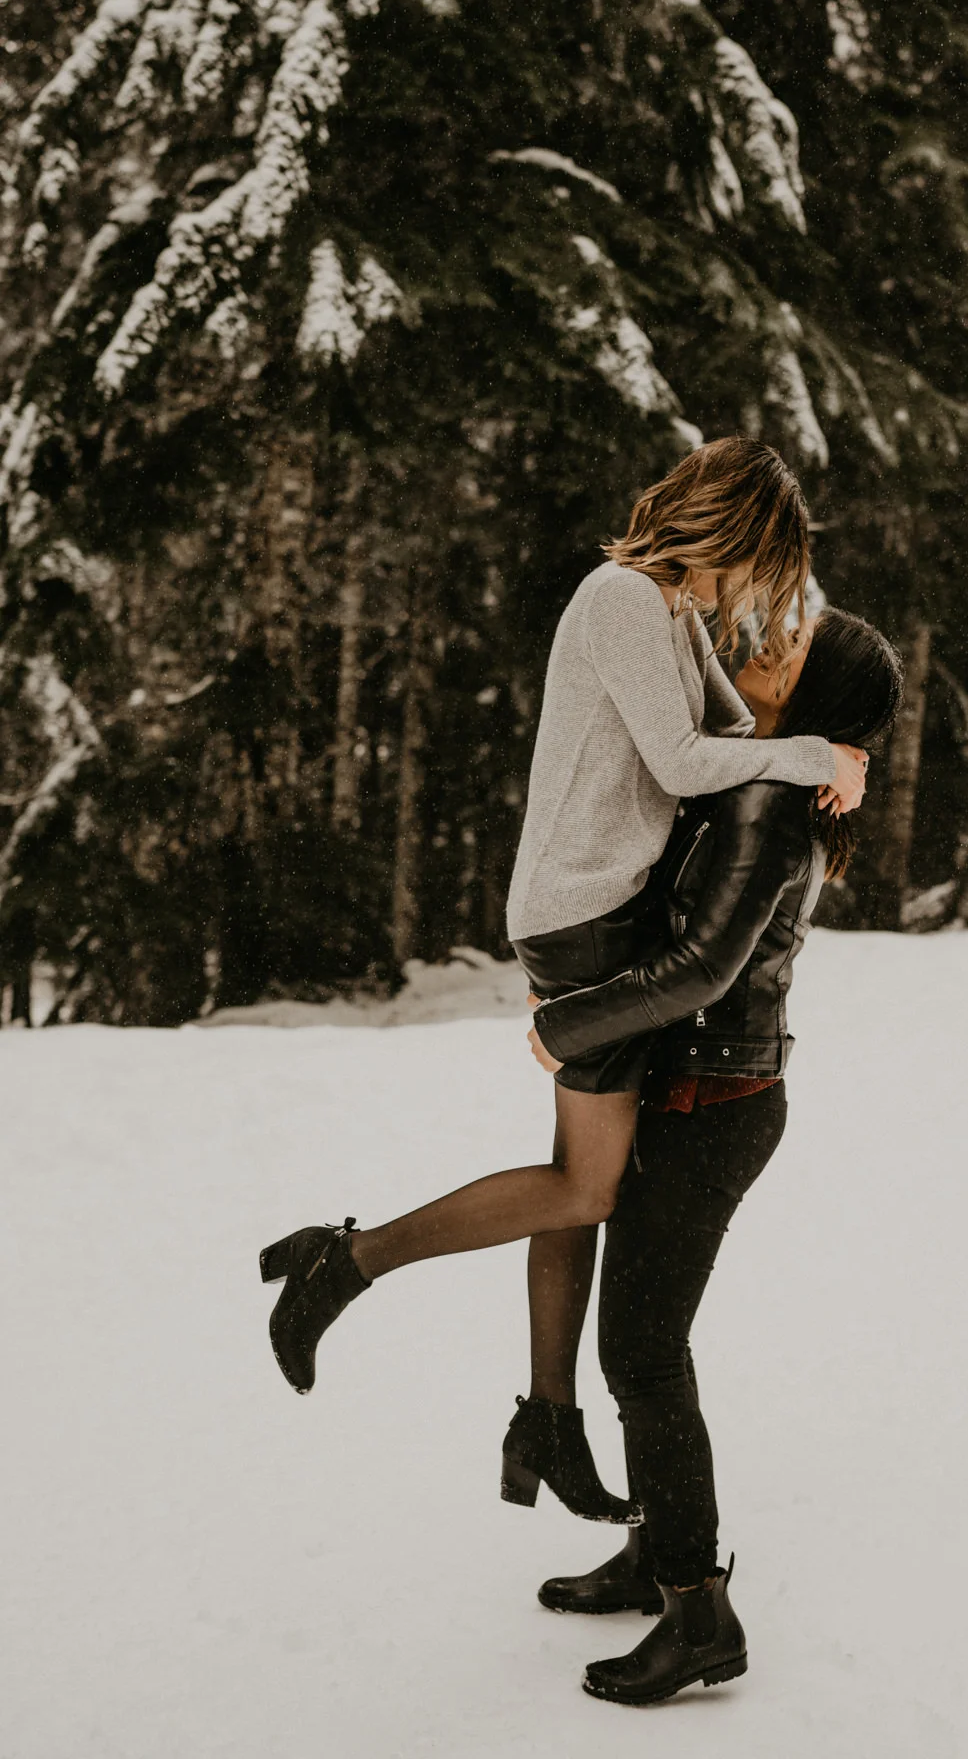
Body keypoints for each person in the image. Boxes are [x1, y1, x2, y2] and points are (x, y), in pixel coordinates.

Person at [259, 440, 868, 1525]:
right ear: (722, 531)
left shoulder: (675, 613)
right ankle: (344, 1260)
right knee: (588, 1186)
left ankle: (549, 1418)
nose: (757, 597)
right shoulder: (622, 597)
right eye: (759, 564)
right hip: (580, 915)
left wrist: (816, 749)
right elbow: (688, 764)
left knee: (578, 1172)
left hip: (607, 908)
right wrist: (816, 755)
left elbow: (732, 731)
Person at [526, 607, 903, 1703]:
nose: (758, 652)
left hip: (713, 1097)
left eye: (788, 652)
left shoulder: (766, 802)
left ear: (814, 697)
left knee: (642, 1352)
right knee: (644, 1344)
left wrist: (572, 1023)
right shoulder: (770, 778)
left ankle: (700, 1612)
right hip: (704, 1088)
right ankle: (656, 1549)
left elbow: (698, 967)